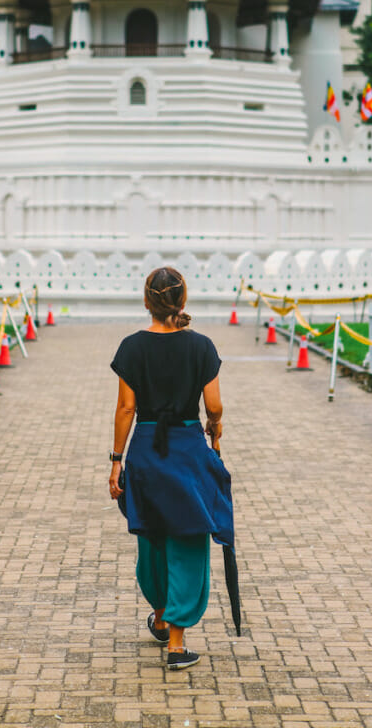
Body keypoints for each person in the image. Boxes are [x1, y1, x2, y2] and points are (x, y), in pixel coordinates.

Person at [109, 266, 234, 670]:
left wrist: (115, 462)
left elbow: (127, 408)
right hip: (186, 449)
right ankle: (176, 643)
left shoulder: (131, 347)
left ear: (147, 301)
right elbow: (213, 406)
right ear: (182, 302)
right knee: (188, 537)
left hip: (146, 448)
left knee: (153, 536)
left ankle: (161, 615)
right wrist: (215, 427)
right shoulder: (201, 347)